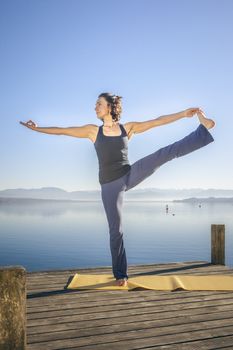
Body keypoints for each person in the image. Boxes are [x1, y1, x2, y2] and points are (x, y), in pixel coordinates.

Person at [19, 92, 215, 287]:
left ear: (111, 107)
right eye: (95, 104)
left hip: (129, 174)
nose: (95, 107)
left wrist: (183, 113)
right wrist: (37, 129)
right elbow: (62, 130)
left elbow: (157, 121)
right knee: (116, 230)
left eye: (99, 104)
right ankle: (121, 274)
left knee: (164, 154)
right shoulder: (92, 131)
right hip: (110, 186)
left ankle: (202, 130)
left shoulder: (127, 128)